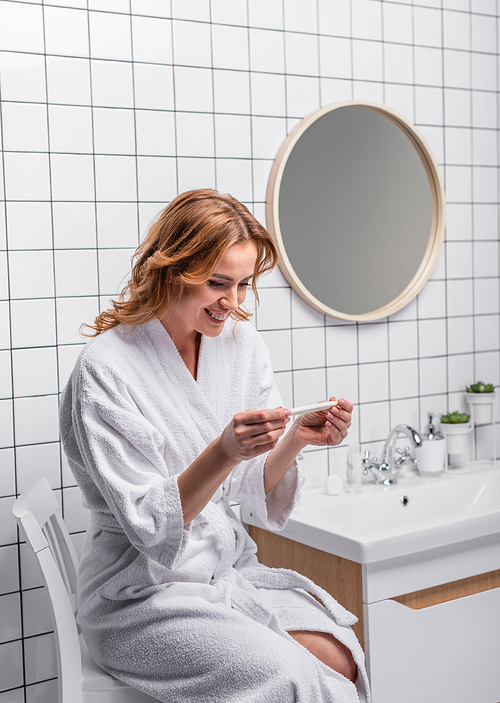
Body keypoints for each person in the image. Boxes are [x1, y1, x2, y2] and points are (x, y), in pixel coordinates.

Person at [60, 189, 370, 703]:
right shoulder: (105, 368)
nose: (233, 301)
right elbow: (152, 528)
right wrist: (224, 450)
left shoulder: (240, 345)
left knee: (342, 657)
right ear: (171, 269)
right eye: (217, 283)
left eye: (244, 284)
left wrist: (296, 438)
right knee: (290, 678)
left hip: (221, 571)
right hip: (138, 595)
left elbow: (251, 486)